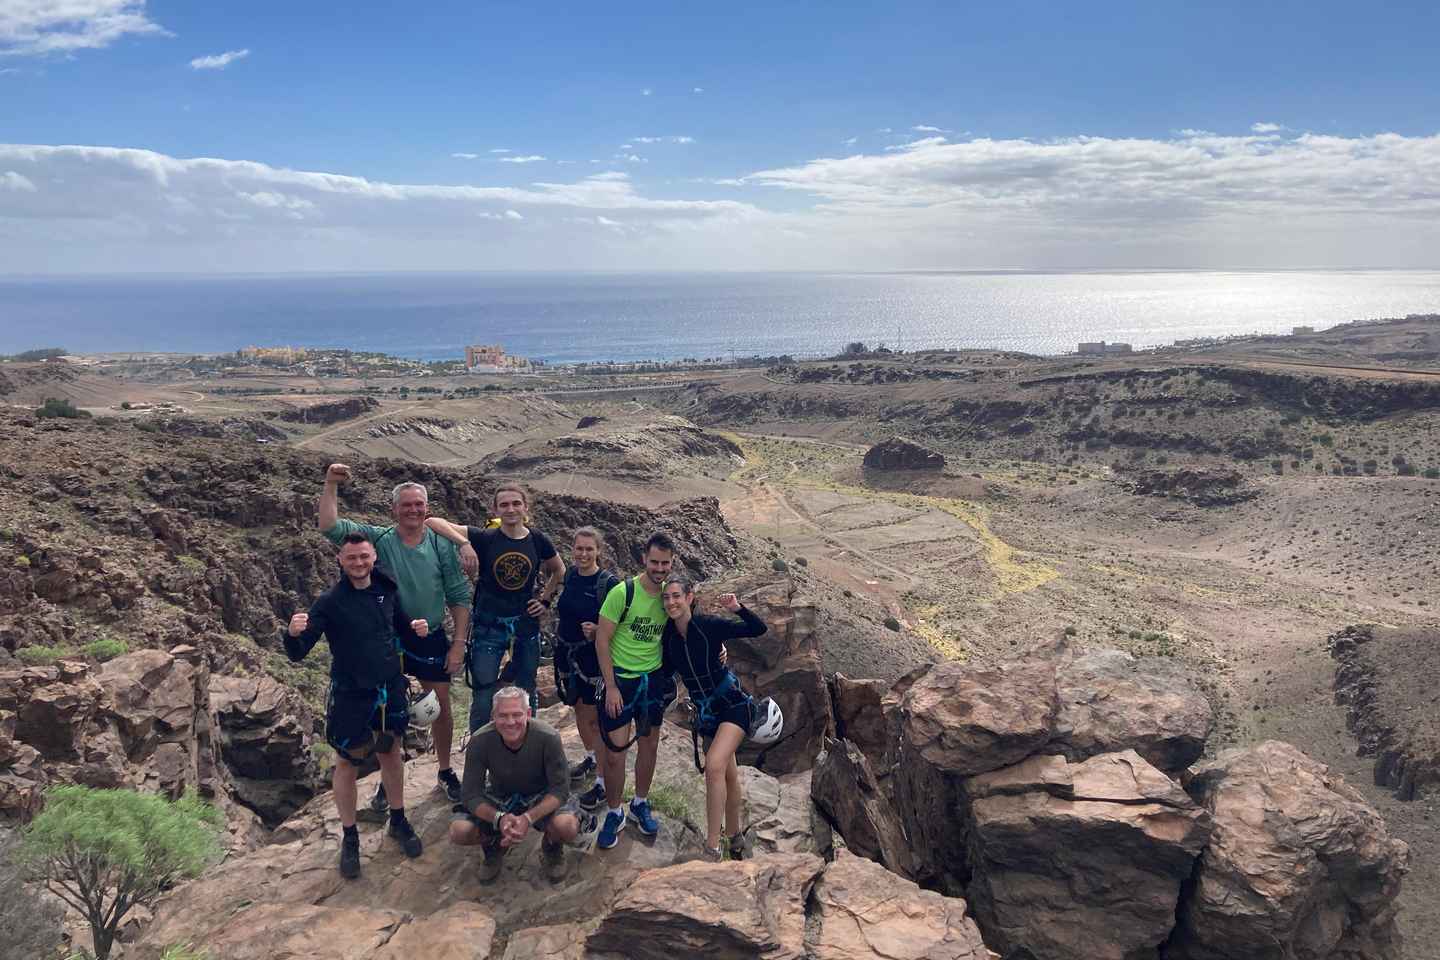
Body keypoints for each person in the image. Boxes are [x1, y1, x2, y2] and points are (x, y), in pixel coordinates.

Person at [319, 464, 474, 811]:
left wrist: (458, 643)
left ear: (427, 508)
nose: (413, 510)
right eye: (406, 505)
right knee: (387, 711)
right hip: (387, 641)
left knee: (441, 706)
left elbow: (459, 596)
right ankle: (388, 785)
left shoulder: (440, 544)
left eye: (419, 504)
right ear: (394, 509)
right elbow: (330, 526)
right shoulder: (380, 539)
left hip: (429, 635)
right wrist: (330, 483)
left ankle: (445, 769)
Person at [283, 532, 426, 878]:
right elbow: (299, 653)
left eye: (364, 557)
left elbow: (401, 628)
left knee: (391, 751)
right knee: (347, 762)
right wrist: (291, 633)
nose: (359, 563)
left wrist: (416, 629)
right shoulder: (330, 602)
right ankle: (350, 837)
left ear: (373, 557)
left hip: (389, 686)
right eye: (352, 558)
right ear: (340, 561)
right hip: (351, 692)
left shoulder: (386, 589)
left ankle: (398, 818)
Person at [425, 481, 563, 733]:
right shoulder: (485, 537)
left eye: (516, 503)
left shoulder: (537, 539)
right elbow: (432, 522)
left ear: (525, 507)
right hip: (489, 625)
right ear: (496, 510)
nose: (510, 509)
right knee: (483, 688)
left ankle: (528, 740)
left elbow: (559, 569)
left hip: (524, 623)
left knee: (526, 685)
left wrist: (544, 600)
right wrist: (464, 543)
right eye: (504, 505)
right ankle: (479, 742)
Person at [660, 577, 768, 861]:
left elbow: (758, 628)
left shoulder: (708, 626)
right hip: (707, 715)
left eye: (676, 596)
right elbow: (663, 671)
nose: (671, 602)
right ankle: (735, 838)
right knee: (729, 777)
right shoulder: (668, 639)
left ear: (689, 597)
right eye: (666, 598)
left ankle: (712, 846)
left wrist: (738, 608)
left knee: (714, 767)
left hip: (733, 705)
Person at [593, 531, 678, 850]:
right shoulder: (622, 593)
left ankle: (640, 803)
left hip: (651, 682)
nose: (659, 568)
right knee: (615, 755)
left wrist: (719, 649)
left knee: (649, 746)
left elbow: (688, 627)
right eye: (654, 562)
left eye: (665, 563)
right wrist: (612, 686)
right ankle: (614, 811)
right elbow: (602, 641)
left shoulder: (670, 595)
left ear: (672, 563)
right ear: (644, 558)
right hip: (621, 681)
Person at [448, 685, 580, 883]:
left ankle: (552, 844)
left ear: (528, 713)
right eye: (503, 715)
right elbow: (470, 794)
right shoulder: (479, 741)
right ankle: (493, 843)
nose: (510, 722)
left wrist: (528, 817)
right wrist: (498, 818)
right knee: (459, 831)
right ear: (493, 716)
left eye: (517, 715)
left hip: (540, 794)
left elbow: (560, 790)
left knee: (567, 827)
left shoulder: (548, 737)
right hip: (499, 796)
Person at [553, 527, 620, 809]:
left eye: (589, 549)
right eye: (579, 548)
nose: (583, 554)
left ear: (598, 552)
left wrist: (599, 631)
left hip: (593, 660)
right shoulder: (569, 575)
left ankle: (603, 784)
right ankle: (593, 758)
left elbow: (622, 627)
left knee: (595, 721)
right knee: (580, 713)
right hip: (568, 656)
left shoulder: (608, 584)